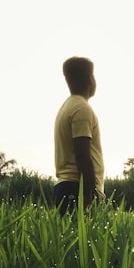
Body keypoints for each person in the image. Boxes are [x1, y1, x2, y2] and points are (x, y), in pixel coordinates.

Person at [53, 56, 104, 213]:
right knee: (83, 236)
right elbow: (82, 155)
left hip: (67, 187)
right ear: (90, 79)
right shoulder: (81, 109)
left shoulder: (67, 106)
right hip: (77, 188)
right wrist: (91, 193)